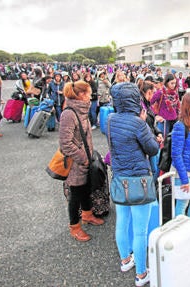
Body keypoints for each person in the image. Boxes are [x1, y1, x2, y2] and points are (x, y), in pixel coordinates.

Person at [107, 82, 160, 287]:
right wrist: (146, 125)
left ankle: (125, 261)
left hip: (120, 178)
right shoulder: (139, 123)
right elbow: (153, 149)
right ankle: (141, 274)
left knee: (122, 222)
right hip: (139, 180)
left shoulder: (111, 119)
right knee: (140, 230)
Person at [59, 80, 104, 242]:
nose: (91, 96)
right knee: (75, 196)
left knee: (85, 190)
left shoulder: (82, 111)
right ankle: (75, 227)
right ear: (80, 95)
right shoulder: (69, 113)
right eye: (88, 93)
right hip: (75, 164)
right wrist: (83, 158)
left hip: (84, 161)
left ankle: (87, 215)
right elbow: (65, 143)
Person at [139, 80, 164, 181]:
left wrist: (159, 133)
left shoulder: (146, 104)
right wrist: (155, 137)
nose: (154, 95)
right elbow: (144, 127)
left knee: (156, 165)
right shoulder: (141, 106)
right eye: (153, 92)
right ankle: (152, 189)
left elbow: (151, 124)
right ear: (149, 92)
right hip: (148, 141)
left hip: (152, 138)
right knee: (153, 168)